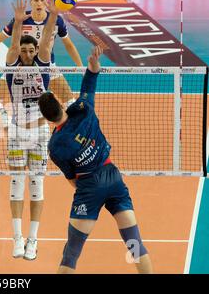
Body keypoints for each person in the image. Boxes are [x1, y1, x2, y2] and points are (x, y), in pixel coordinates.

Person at [38, 45, 153, 274]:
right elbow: (87, 89)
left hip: (89, 187)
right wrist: (93, 68)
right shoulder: (83, 110)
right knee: (134, 243)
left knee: (71, 252)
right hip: (112, 176)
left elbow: (72, 180)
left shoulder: (55, 147)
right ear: (61, 104)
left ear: (46, 118)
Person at [0, 0, 82, 150]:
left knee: (71, 103)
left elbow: (69, 45)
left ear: (47, 2)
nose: (39, 3)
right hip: (20, 67)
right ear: (31, 1)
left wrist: (80, 67)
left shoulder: (56, 20)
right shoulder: (22, 18)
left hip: (47, 68)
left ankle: (74, 136)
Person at [0, 0, 64, 261]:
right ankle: (17, 238)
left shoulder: (43, 65)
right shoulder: (12, 68)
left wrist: (52, 15)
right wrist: (17, 22)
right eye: (23, 51)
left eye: (30, 51)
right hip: (16, 133)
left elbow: (48, 35)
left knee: (37, 186)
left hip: (39, 134)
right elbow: (13, 44)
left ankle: (33, 239)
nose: (26, 54)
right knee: (16, 185)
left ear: (36, 51)